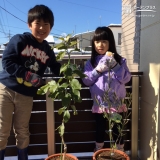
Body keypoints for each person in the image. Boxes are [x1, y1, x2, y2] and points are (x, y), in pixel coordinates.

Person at [0, 4, 61, 160]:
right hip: (6, 88)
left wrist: (70, 71)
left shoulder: (47, 49)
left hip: (26, 94)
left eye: (46, 24)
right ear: (29, 25)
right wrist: (27, 75)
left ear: (51, 27)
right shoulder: (20, 39)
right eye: (37, 24)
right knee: (2, 129)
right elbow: (7, 61)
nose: (41, 28)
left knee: (22, 130)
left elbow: (55, 67)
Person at [82, 26, 131, 152]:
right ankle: (98, 150)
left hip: (117, 102)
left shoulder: (120, 60)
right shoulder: (91, 62)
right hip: (99, 104)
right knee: (100, 128)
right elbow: (86, 81)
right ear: (93, 43)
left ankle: (120, 151)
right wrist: (97, 69)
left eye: (104, 41)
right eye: (97, 41)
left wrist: (115, 66)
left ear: (110, 43)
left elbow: (126, 79)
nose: (100, 45)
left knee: (117, 128)